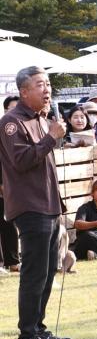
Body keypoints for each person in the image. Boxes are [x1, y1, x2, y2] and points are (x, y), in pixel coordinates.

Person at [0, 66, 70, 339]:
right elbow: (22, 160)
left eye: (48, 84)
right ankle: (27, 335)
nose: (46, 90)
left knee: (49, 269)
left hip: (49, 204)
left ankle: (39, 328)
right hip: (31, 206)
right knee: (34, 272)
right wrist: (51, 138)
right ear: (24, 91)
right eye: (40, 85)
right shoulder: (11, 122)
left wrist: (51, 135)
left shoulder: (41, 119)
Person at [0, 97, 20, 274]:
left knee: (8, 223)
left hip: (15, 184)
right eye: (12, 109)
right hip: (4, 183)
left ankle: (13, 262)